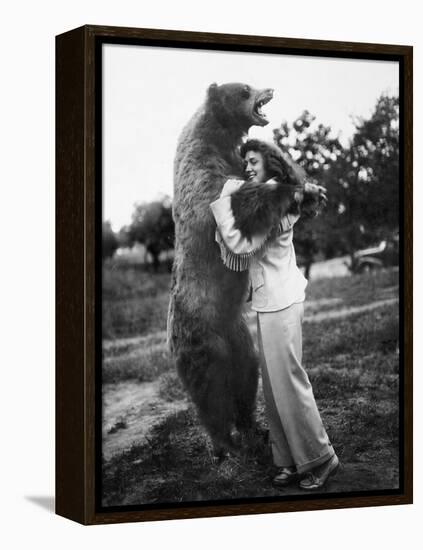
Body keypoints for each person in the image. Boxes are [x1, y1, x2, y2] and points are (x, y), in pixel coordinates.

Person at [210, 139, 339, 490]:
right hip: (270, 302)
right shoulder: (269, 197)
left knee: (290, 384)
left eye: (254, 161)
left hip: (282, 300)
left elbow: (240, 244)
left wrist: (223, 202)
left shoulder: (275, 200)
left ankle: (322, 457)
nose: (247, 167)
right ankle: (290, 459)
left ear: (271, 163)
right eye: (245, 162)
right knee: (275, 388)